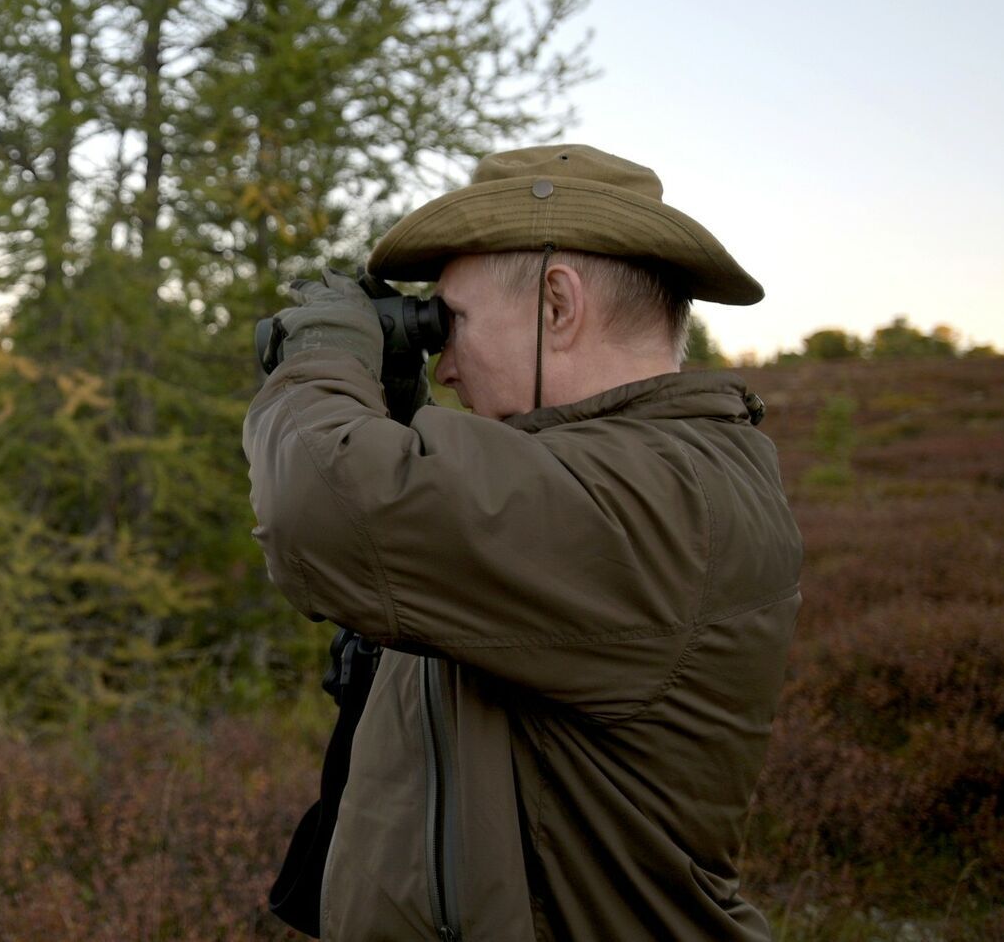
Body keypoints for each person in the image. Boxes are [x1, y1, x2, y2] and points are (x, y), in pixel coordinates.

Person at [242, 144, 803, 941]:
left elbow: (323, 507)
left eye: (451, 321)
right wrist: (394, 418)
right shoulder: (622, 475)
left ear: (557, 305)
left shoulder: (662, 498)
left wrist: (323, 360)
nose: (447, 368)